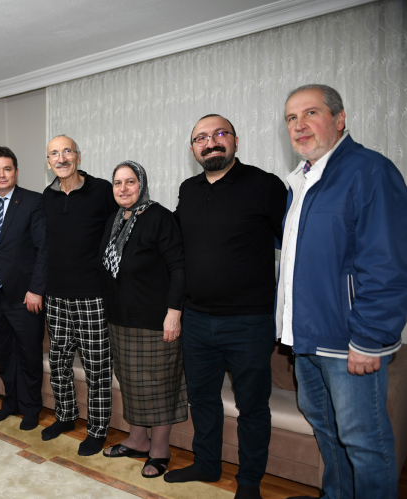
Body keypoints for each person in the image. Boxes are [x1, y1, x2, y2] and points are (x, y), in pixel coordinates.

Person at [277, 84, 407, 499]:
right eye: (291, 118)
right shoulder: (301, 180)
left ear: (339, 118)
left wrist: (369, 339)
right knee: (327, 434)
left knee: (364, 443)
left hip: (349, 342)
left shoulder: (370, 171)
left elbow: (387, 264)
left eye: (310, 113)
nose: (299, 125)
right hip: (306, 339)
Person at [163, 115, 288, 499]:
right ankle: (206, 464)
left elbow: (294, 244)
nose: (211, 142)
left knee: (252, 406)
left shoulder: (265, 184)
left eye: (219, 134)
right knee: (202, 399)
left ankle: (249, 482)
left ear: (235, 140)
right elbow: (176, 246)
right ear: (193, 149)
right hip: (197, 320)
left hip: (249, 321)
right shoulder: (188, 189)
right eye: (201, 138)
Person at [97, 160, 188, 478]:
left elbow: (178, 267)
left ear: (142, 184)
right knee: (131, 383)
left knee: (159, 386)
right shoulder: (114, 220)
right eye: (117, 183)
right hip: (119, 319)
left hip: (154, 321)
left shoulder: (159, 217)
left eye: (130, 182)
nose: (123, 188)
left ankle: (160, 449)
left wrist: (173, 313)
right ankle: (137, 440)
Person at [41, 135, 119, 456]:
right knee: (58, 361)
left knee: (96, 366)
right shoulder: (47, 196)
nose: (61, 158)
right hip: (55, 295)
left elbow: (118, 234)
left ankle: (98, 429)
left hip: (92, 296)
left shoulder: (101, 190)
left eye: (67, 151)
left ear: (79, 156)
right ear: (48, 162)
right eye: (54, 154)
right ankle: (65, 416)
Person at [0, 146, 48, 431]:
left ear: (16, 171)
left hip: (25, 295)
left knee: (28, 355)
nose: (1, 174)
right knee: (3, 355)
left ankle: (31, 408)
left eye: (7, 169)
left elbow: (43, 249)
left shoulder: (33, 201)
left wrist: (36, 290)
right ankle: (11, 402)